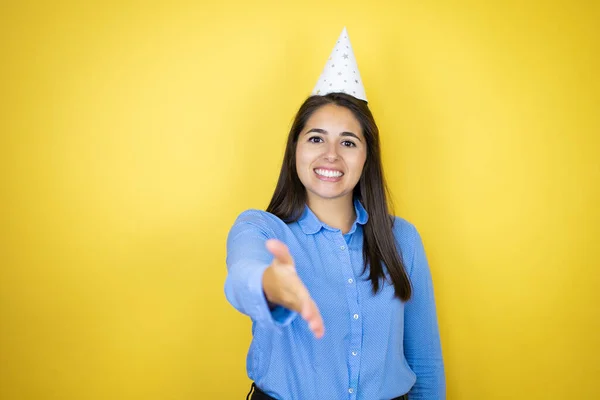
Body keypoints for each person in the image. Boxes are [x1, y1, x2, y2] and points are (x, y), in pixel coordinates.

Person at [225, 28, 445, 400]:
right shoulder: (260, 228)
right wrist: (269, 285)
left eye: (348, 142)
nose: (331, 154)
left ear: (366, 156)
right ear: (295, 149)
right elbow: (242, 276)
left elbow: (424, 361)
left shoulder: (402, 239)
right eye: (316, 138)